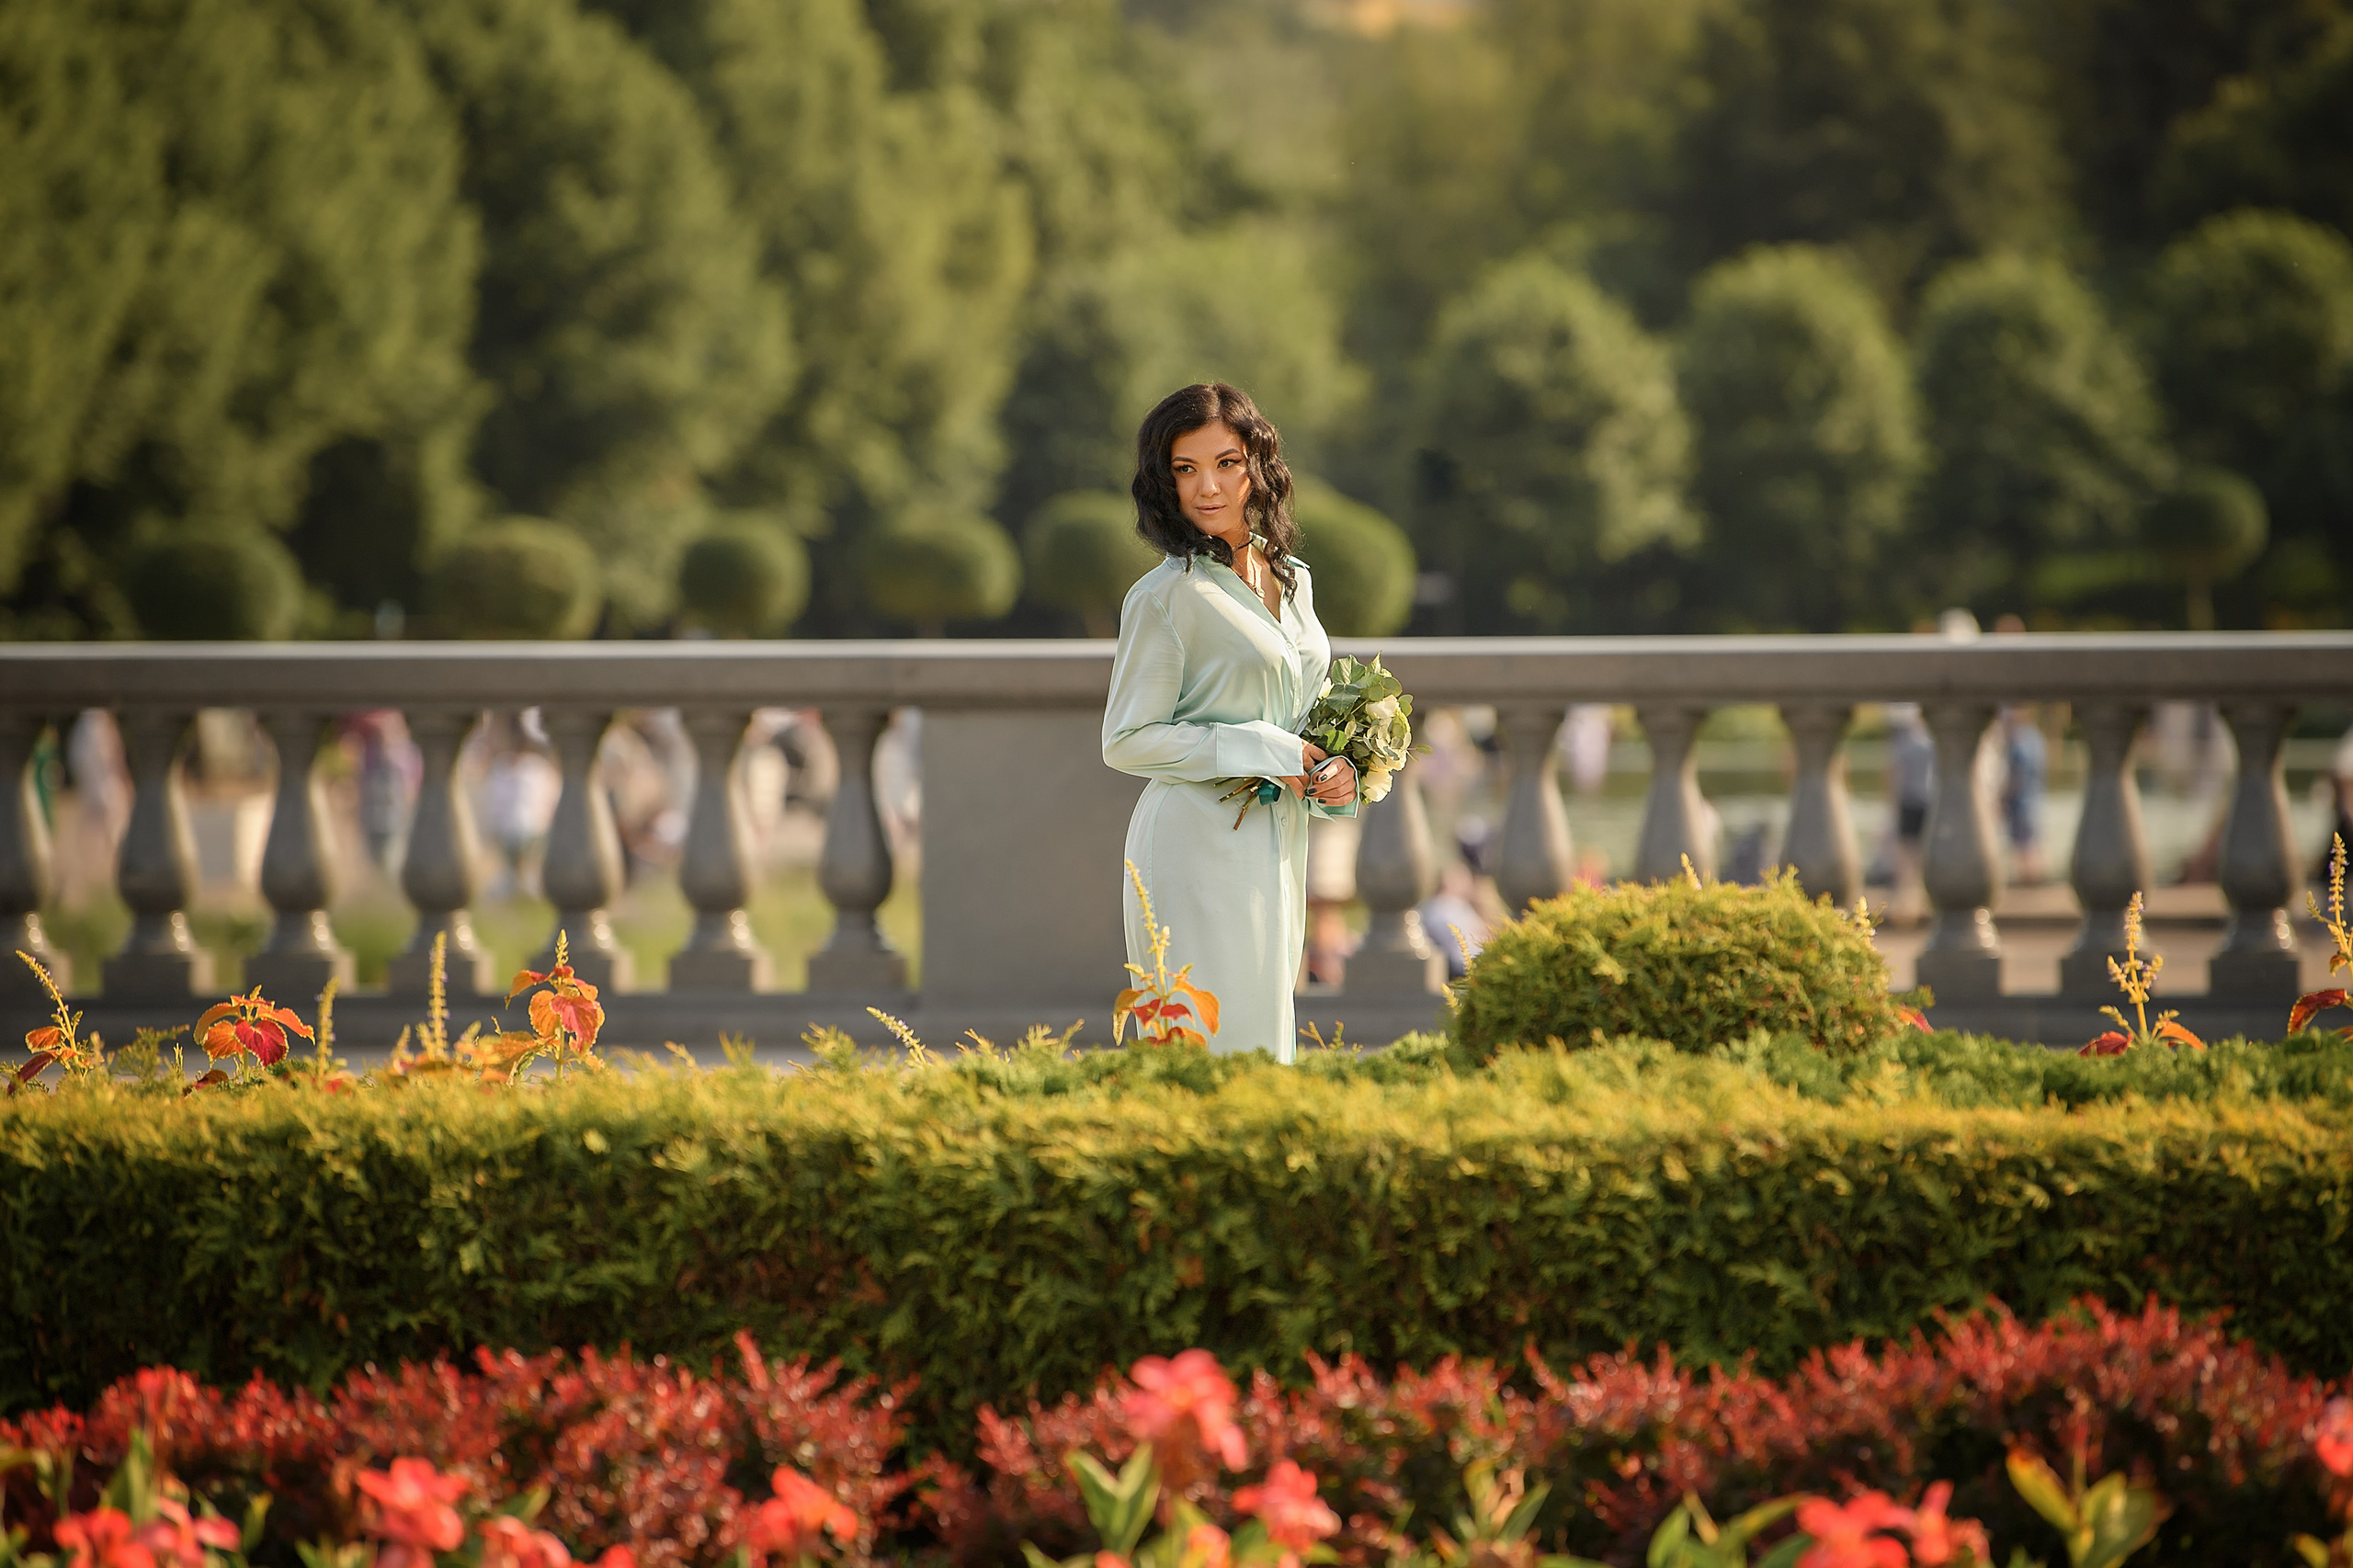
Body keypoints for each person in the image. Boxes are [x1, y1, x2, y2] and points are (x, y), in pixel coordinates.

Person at [1102, 382, 1358, 1061]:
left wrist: (1334, 771)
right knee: (1204, 1052)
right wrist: (1261, 746)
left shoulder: (1293, 578)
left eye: (1227, 463)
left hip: (1278, 840)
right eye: (1186, 470)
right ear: (1165, 483)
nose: (1207, 487)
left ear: (1259, 467)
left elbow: (1302, 709)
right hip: (1194, 844)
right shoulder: (1165, 597)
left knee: (1266, 1044)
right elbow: (1125, 740)